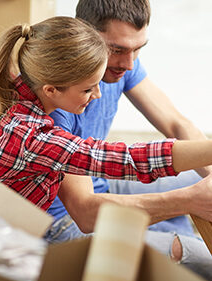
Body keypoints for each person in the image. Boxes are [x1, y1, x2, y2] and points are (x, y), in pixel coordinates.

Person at [0, 14, 212, 279]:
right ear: (51, 90)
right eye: (87, 89)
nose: (97, 95)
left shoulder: (5, 90)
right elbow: (123, 159)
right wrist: (189, 200)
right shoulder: (33, 136)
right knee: (197, 256)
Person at [44, 1, 212, 279]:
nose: (128, 64)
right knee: (199, 256)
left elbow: (175, 123)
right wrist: (189, 201)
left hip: (102, 182)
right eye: (117, 50)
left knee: (199, 180)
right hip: (64, 224)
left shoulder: (123, 64)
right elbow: (84, 212)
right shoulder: (58, 101)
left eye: (138, 49)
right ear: (83, 37)